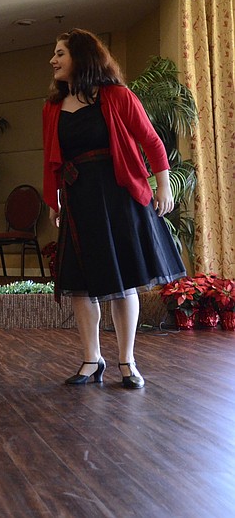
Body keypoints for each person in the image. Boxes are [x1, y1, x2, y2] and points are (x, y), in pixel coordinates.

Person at [42, 28, 186, 389]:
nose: (53, 60)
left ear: (82, 56)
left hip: (120, 197)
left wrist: (164, 186)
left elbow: (151, 141)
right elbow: (51, 159)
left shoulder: (117, 95)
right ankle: (92, 360)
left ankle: (127, 361)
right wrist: (52, 199)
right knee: (81, 285)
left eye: (60, 53)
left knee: (123, 284)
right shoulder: (53, 107)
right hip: (79, 198)